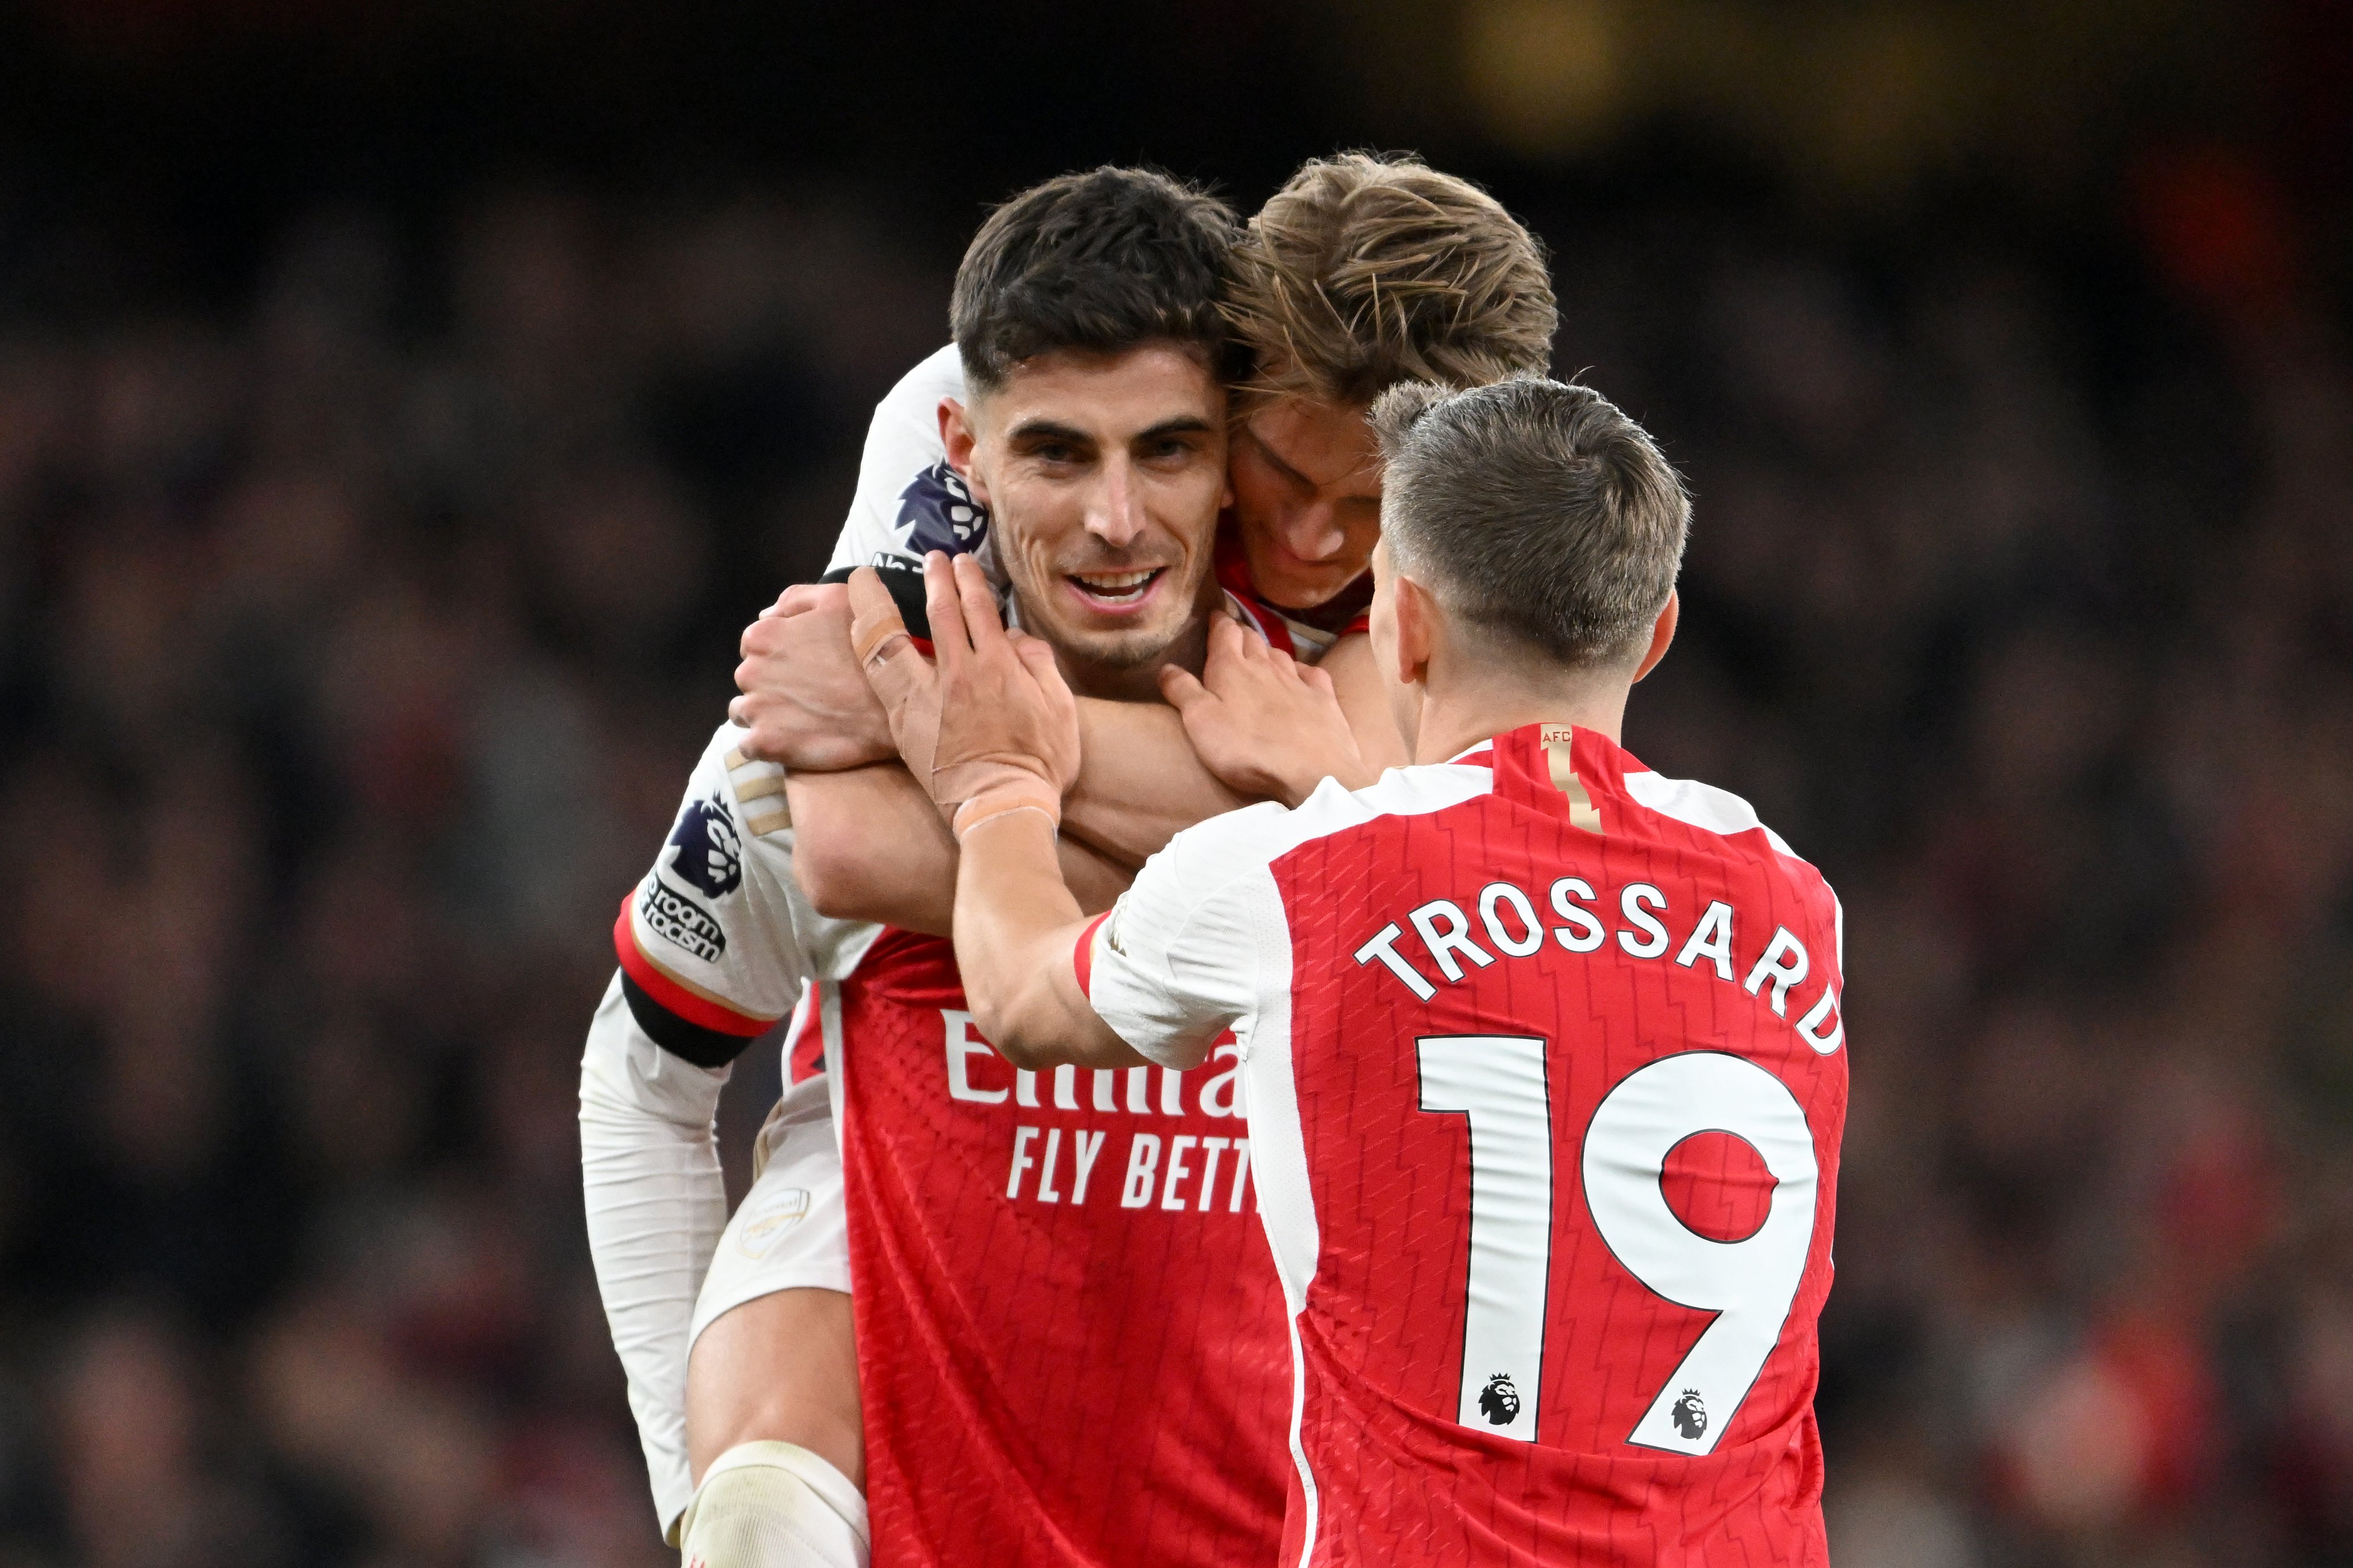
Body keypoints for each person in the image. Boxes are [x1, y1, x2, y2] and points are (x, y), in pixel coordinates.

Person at [583, 156, 1560, 1568]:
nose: (1306, 540)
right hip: (900, 1211)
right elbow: (825, 859)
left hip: (1261, 1347)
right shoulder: (922, 523)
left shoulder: (1453, 591)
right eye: (1277, 471)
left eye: (1371, 506)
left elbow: (1465, 860)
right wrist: (1316, 823)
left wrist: (972, 748)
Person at [871, 375, 1846, 1565]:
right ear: (1653, 635)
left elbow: (1023, 997)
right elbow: (1546, 958)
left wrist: (999, 788)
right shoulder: (1793, 901)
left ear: (1403, 624)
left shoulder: (1297, 876)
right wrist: (1332, 784)